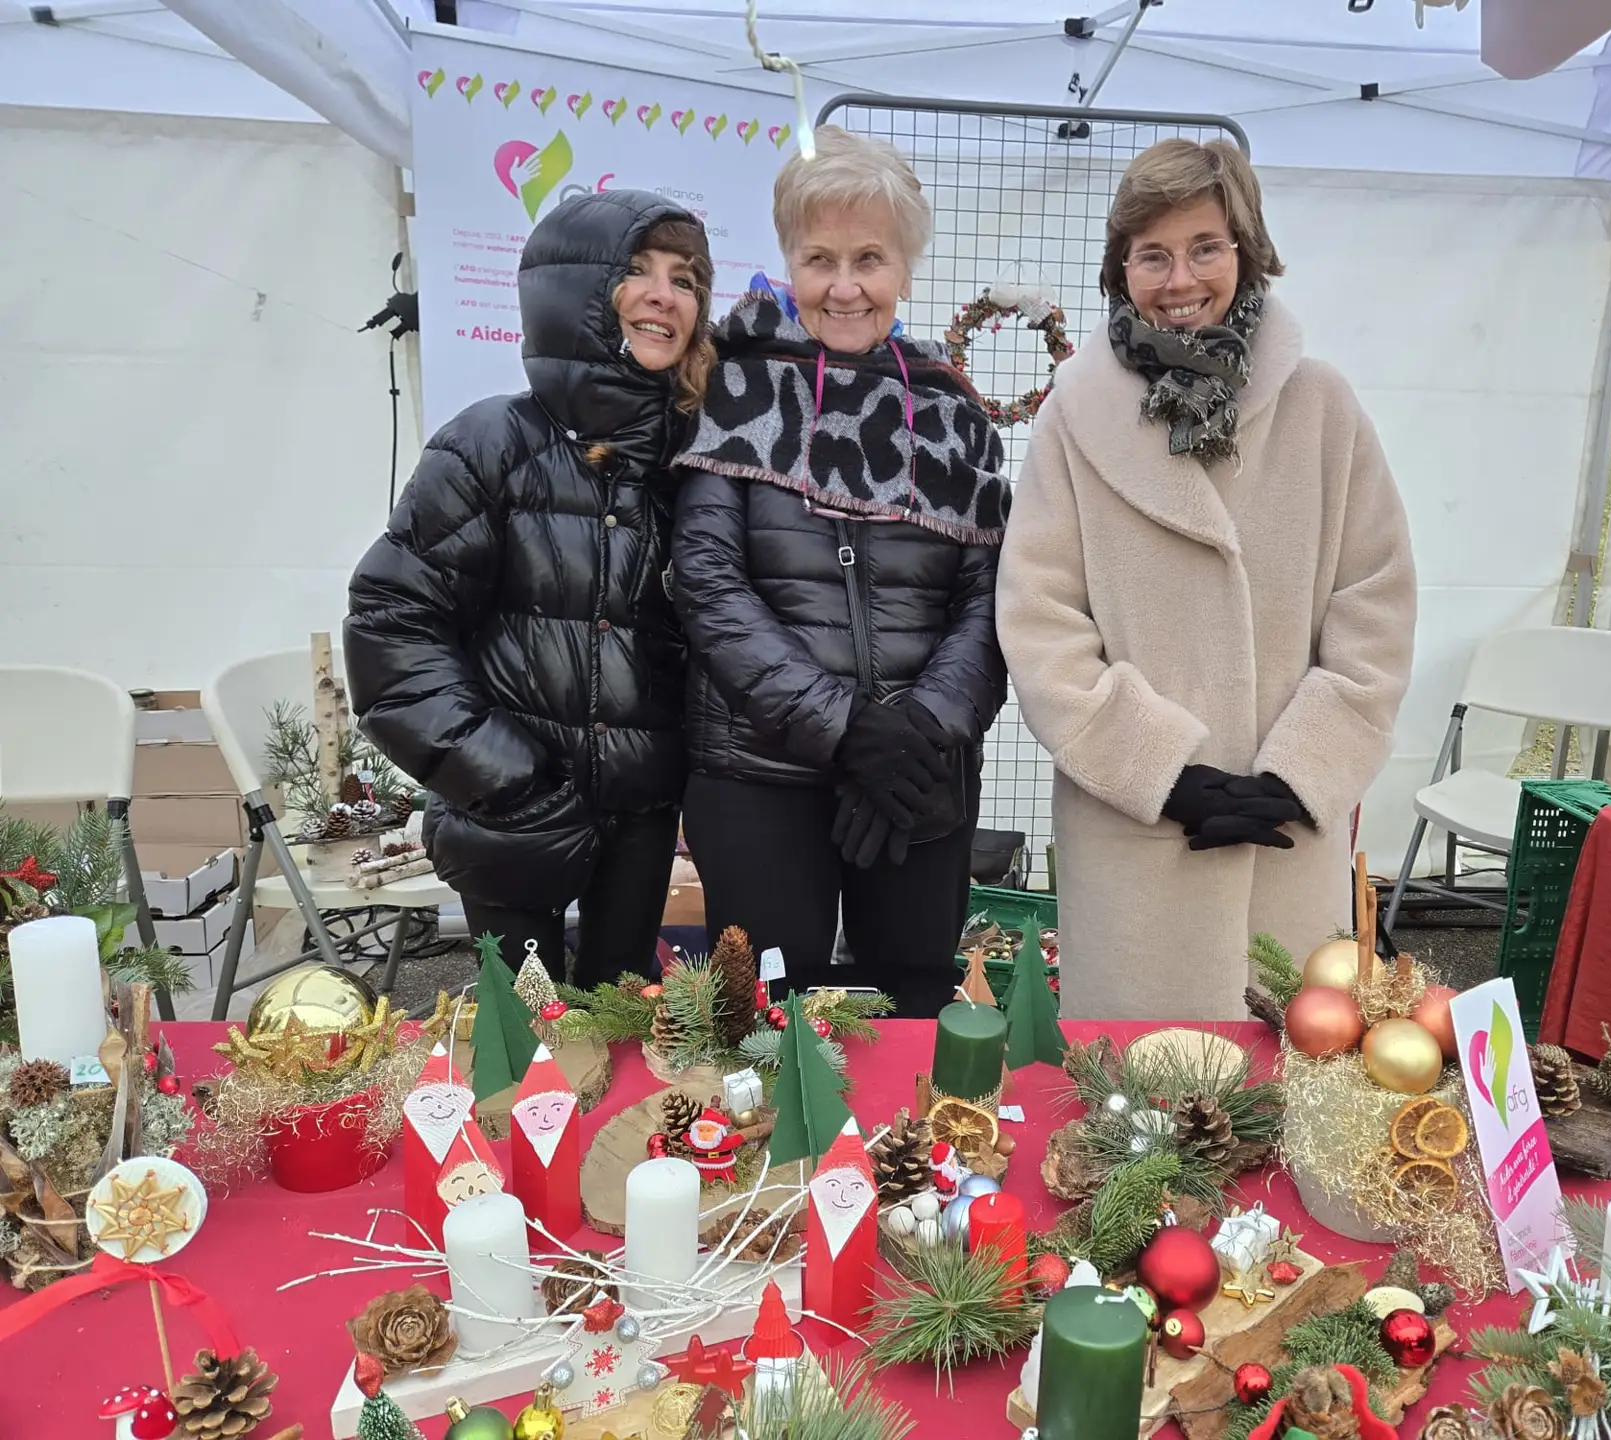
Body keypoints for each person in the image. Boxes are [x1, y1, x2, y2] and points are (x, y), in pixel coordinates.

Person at [996, 139, 1417, 1021]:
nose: (1179, 279)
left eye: (1205, 248)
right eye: (1152, 254)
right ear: (1120, 268)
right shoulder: (1075, 416)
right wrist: (1162, 771)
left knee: (1281, 1073)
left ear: (1246, 251)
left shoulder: (1323, 408)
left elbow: (1375, 603)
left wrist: (1301, 773)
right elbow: (1039, 619)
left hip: (1281, 836)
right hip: (1135, 834)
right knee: (1130, 1090)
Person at [673, 127, 1009, 1018]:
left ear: (906, 269)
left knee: (913, 1001)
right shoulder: (733, 389)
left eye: (870, 259)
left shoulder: (953, 413)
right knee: (765, 1010)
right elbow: (708, 583)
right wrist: (846, 726)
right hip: (758, 768)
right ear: (789, 260)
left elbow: (988, 598)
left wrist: (920, 728)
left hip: (918, 767)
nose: (845, 286)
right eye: (820, 259)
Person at [345, 191, 713, 988]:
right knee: (520, 1040)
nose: (665, 295)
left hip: (642, 818)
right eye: (637, 270)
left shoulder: (691, 463)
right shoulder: (492, 445)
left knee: (623, 1027)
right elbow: (392, 622)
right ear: (576, 291)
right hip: (512, 810)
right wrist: (503, 777)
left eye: (685, 279)